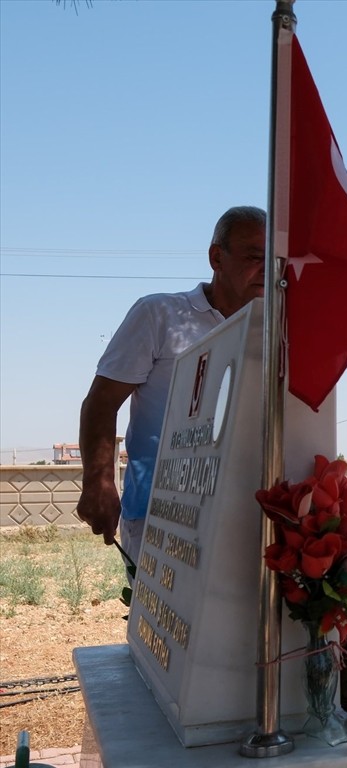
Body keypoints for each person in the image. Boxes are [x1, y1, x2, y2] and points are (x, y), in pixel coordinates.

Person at [76, 206, 267, 565]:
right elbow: (101, 403)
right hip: (160, 518)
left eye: (274, 260)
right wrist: (98, 482)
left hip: (248, 518)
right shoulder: (159, 315)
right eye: (254, 256)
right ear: (216, 257)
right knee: (161, 622)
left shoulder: (275, 331)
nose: (266, 270)